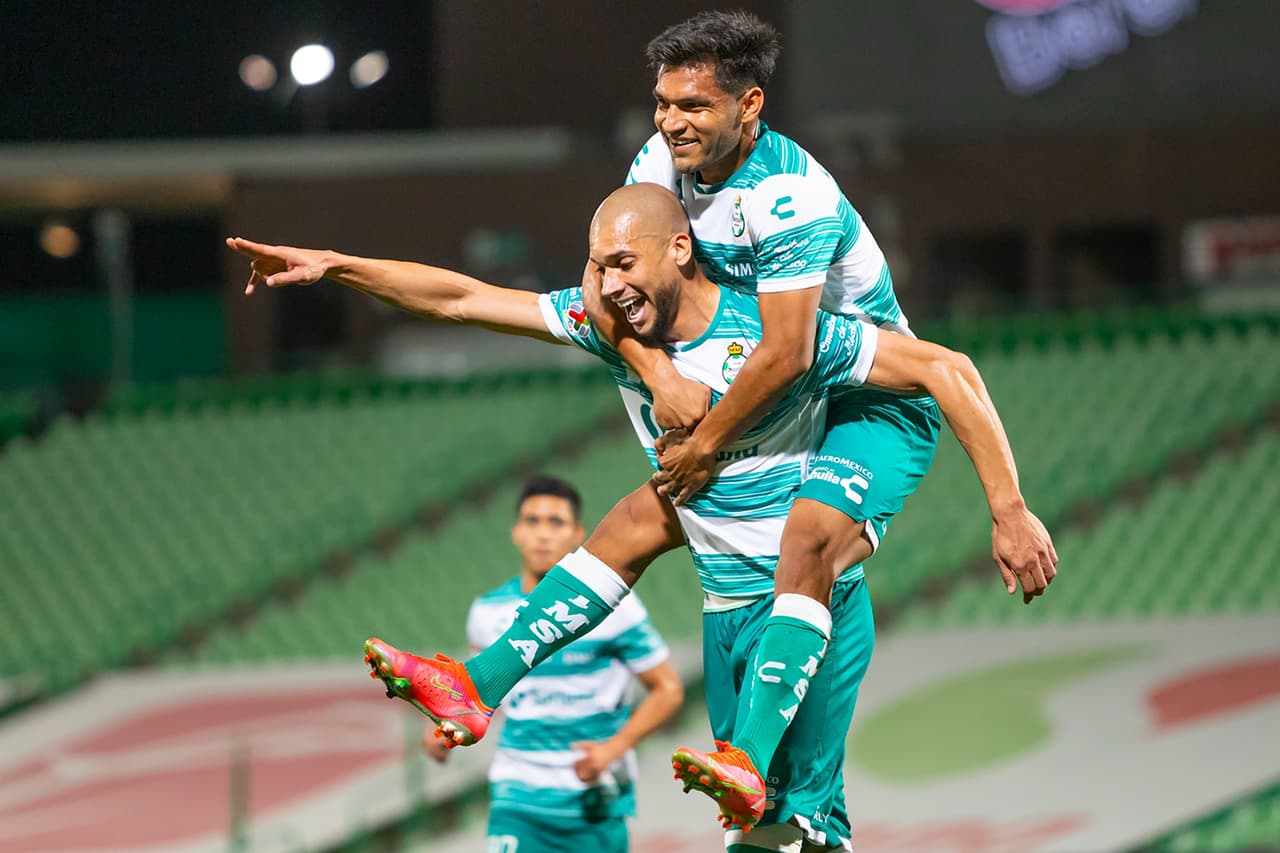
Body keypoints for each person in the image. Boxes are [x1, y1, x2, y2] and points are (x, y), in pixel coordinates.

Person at [228, 181, 1056, 850]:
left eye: (625, 260)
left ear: (680, 249)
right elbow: (460, 298)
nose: (612, 283)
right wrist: (336, 264)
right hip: (728, 613)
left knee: (793, 825)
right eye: (599, 266)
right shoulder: (614, 328)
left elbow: (948, 370)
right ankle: (476, 687)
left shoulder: (778, 338)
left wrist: (1008, 509)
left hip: (808, 610)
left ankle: (697, 743)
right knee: (772, 829)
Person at [582, 10, 1057, 802]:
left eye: (693, 106)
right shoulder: (658, 163)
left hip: (867, 397)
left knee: (807, 538)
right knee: (646, 526)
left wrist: (1008, 509)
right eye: (664, 103)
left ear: (749, 105)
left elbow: (791, 351)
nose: (671, 122)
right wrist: (658, 372)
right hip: (777, 398)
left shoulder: (789, 194)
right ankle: (784, 801)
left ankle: (763, 772)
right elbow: (603, 278)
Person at [421, 476, 682, 853]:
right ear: (515, 532)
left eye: (555, 522)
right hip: (517, 799)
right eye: (532, 521)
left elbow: (669, 689)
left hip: (595, 803)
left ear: (578, 533)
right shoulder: (487, 611)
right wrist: (445, 728)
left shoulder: (617, 610)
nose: (543, 534)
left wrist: (614, 748)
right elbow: (483, 693)